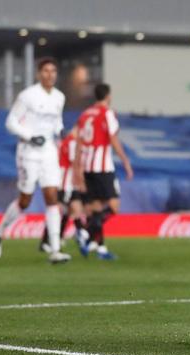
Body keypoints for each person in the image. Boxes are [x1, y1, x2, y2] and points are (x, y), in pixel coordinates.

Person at [0, 57, 71, 264]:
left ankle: (54, 249)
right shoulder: (28, 96)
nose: (50, 74)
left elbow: (56, 121)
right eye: (46, 71)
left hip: (49, 152)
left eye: (53, 71)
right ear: (39, 74)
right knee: (25, 200)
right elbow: (11, 122)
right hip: (28, 152)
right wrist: (29, 135)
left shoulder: (60, 97)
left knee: (52, 197)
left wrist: (60, 131)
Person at [73, 83, 133, 260]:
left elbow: (79, 142)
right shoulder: (107, 113)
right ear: (108, 95)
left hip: (88, 167)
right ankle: (85, 232)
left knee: (96, 209)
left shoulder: (85, 115)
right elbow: (113, 139)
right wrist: (126, 161)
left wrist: (77, 166)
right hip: (103, 167)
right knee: (114, 207)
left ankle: (100, 248)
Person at [38, 127, 89, 253]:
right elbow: (75, 163)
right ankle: (47, 241)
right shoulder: (72, 142)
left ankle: (65, 236)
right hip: (65, 182)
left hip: (63, 180)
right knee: (60, 210)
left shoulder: (64, 142)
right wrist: (81, 181)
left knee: (67, 210)